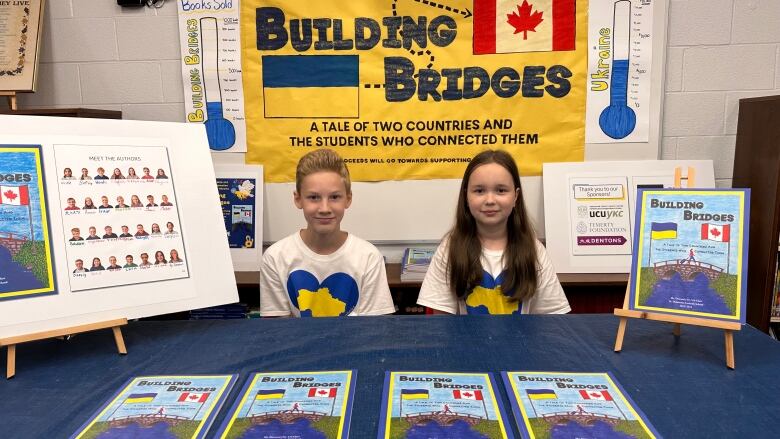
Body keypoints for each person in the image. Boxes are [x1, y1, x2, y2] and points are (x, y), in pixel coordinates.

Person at [416, 150, 570, 315]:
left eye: (501, 190)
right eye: (479, 191)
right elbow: (441, 325)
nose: (490, 200)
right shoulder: (449, 250)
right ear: (466, 196)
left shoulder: (535, 251)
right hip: (465, 342)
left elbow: (552, 319)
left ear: (515, 197)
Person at [259, 148, 394, 317]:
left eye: (334, 197)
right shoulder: (275, 258)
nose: (324, 209)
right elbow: (276, 333)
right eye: (314, 197)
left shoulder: (368, 257)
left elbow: (375, 331)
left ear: (348, 199)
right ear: (298, 199)